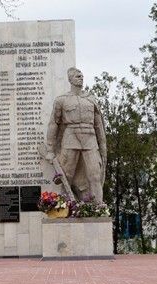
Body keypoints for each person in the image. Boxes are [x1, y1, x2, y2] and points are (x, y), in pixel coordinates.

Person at [45, 67, 107, 203]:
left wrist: (103, 146)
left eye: (82, 76)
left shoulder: (91, 100)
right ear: (70, 79)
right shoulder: (61, 100)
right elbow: (53, 123)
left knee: (95, 174)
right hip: (70, 137)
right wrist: (50, 149)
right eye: (77, 76)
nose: (81, 78)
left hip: (90, 139)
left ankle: (98, 206)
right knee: (66, 175)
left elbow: (98, 125)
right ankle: (64, 206)